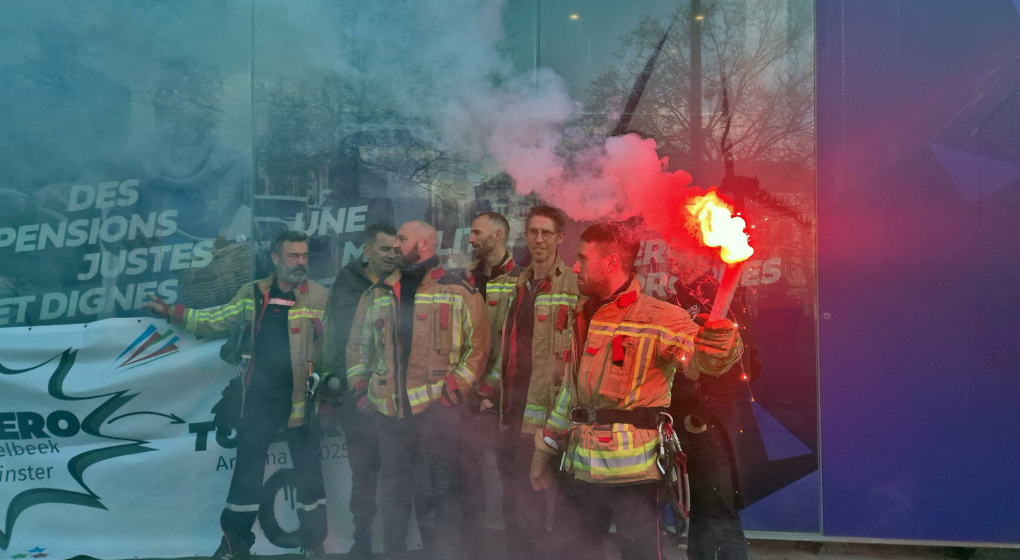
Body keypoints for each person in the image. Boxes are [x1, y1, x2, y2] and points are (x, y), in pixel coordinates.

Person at [530, 221, 743, 560]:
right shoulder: (583, 314)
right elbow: (572, 395)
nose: (575, 267)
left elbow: (704, 359)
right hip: (581, 471)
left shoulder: (660, 317)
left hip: (635, 479)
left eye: (583, 259)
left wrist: (721, 343)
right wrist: (546, 448)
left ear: (610, 263)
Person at [143, 231, 329, 559]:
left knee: (309, 479)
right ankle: (233, 547)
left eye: (304, 256)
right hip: (257, 401)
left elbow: (334, 348)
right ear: (275, 259)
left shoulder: (319, 297)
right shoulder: (253, 294)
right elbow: (214, 320)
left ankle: (314, 546)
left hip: (303, 403)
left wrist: (328, 385)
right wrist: (172, 311)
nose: (300, 263)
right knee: (245, 481)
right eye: (293, 256)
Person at [346, 221, 489, 560]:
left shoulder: (459, 291)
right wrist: (363, 393)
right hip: (390, 412)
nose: (395, 245)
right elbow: (356, 350)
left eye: (402, 239)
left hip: (439, 412)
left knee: (445, 491)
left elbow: (480, 349)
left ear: (424, 245)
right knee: (393, 493)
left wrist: (452, 392)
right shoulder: (375, 294)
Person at [474, 205, 578, 560]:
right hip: (512, 413)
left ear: (560, 238)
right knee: (517, 505)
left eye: (546, 232)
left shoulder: (576, 286)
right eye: (532, 232)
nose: (538, 239)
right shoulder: (510, 286)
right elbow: (499, 350)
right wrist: (487, 395)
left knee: (564, 509)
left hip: (555, 419)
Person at [320, 223, 401, 558]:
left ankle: (400, 542)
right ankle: (363, 539)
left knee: (401, 472)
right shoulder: (347, 282)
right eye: (384, 249)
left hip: (399, 398)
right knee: (364, 470)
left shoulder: (406, 283)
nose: (392, 255)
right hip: (359, 397)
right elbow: (342, 340)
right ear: (367, 251)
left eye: (396, 249)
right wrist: (347, 391)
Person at [669, 278, 754, 560]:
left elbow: (746, 367)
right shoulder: (674, 299)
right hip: (678, 428)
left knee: (719, 512)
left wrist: (704, 412)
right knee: (700, 514)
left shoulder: (725, 297)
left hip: (711, 429)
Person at [460, 212, 516, 559]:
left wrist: (489, 391)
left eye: (477, 233)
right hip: (463, 395)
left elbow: (515, 346)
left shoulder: (520, 280)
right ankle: (473, 549)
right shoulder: (463, 281)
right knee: (466, 479)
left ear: (498, 234)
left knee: (512, 481)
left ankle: (515, 550)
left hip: (500, 398)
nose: (471, 239)